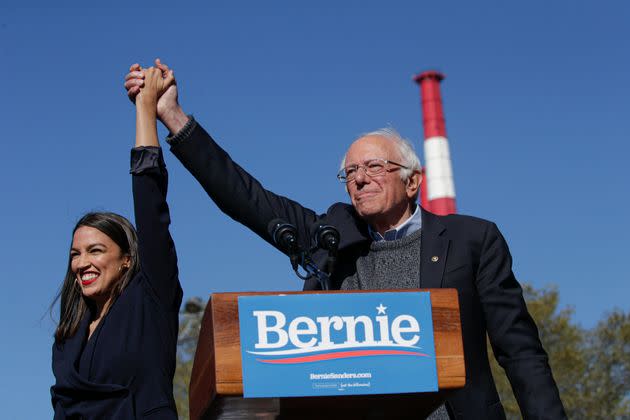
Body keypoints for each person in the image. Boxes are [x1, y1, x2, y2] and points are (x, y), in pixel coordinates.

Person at [124, 61, 567, 419]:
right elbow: (244, 196)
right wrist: (172, 115)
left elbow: (521, 353)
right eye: (350, 173)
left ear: (413, 183)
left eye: (375, 167)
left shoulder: (473, 239)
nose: (359, 179)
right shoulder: (329, 241)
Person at [51, 67, 182, 418]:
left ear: (126, 259)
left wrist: (145, 108)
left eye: (95, 250)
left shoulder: (148, 301)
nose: (81, 263)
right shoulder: (68, 336)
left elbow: (150, 201)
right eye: (75, 254)